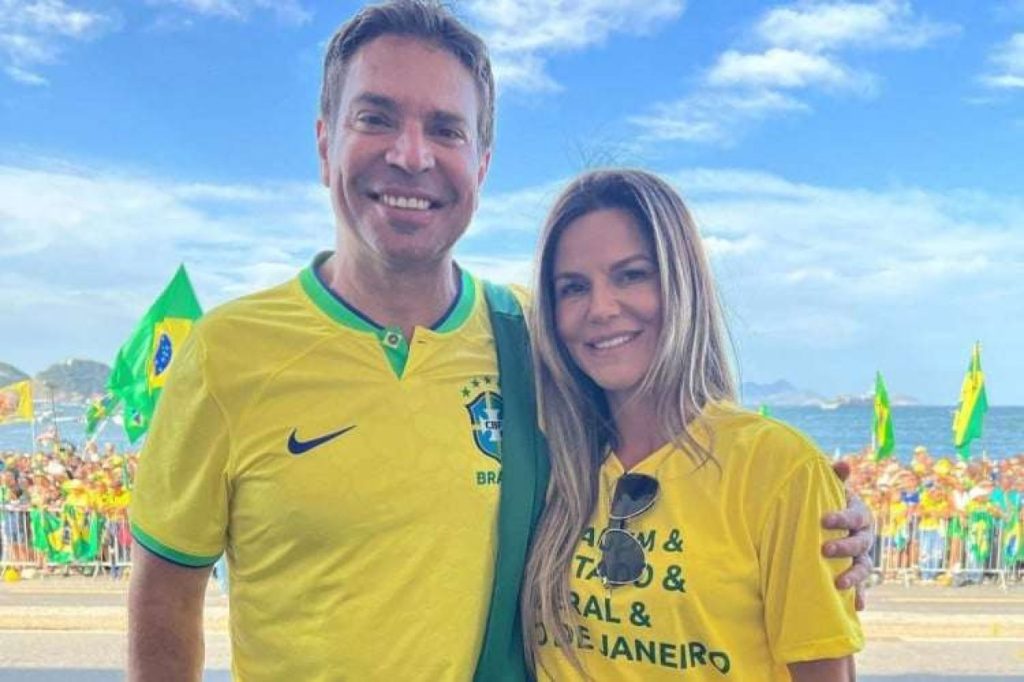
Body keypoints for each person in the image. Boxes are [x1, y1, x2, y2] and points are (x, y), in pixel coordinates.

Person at [127, 2, 873, 681]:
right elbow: (165, 594)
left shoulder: (535, 339)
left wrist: (825, 522)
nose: (411, 155)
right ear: (325, 144)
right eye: (376, 117)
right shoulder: (228, 352)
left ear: (481, 164)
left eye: (446, 128)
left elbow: (685, 453)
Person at [521, 169, 863, 680]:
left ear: (682, 283)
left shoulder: (778, 468)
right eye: (573, 288)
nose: (600, 308)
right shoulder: (545, 463)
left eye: (631, 275)